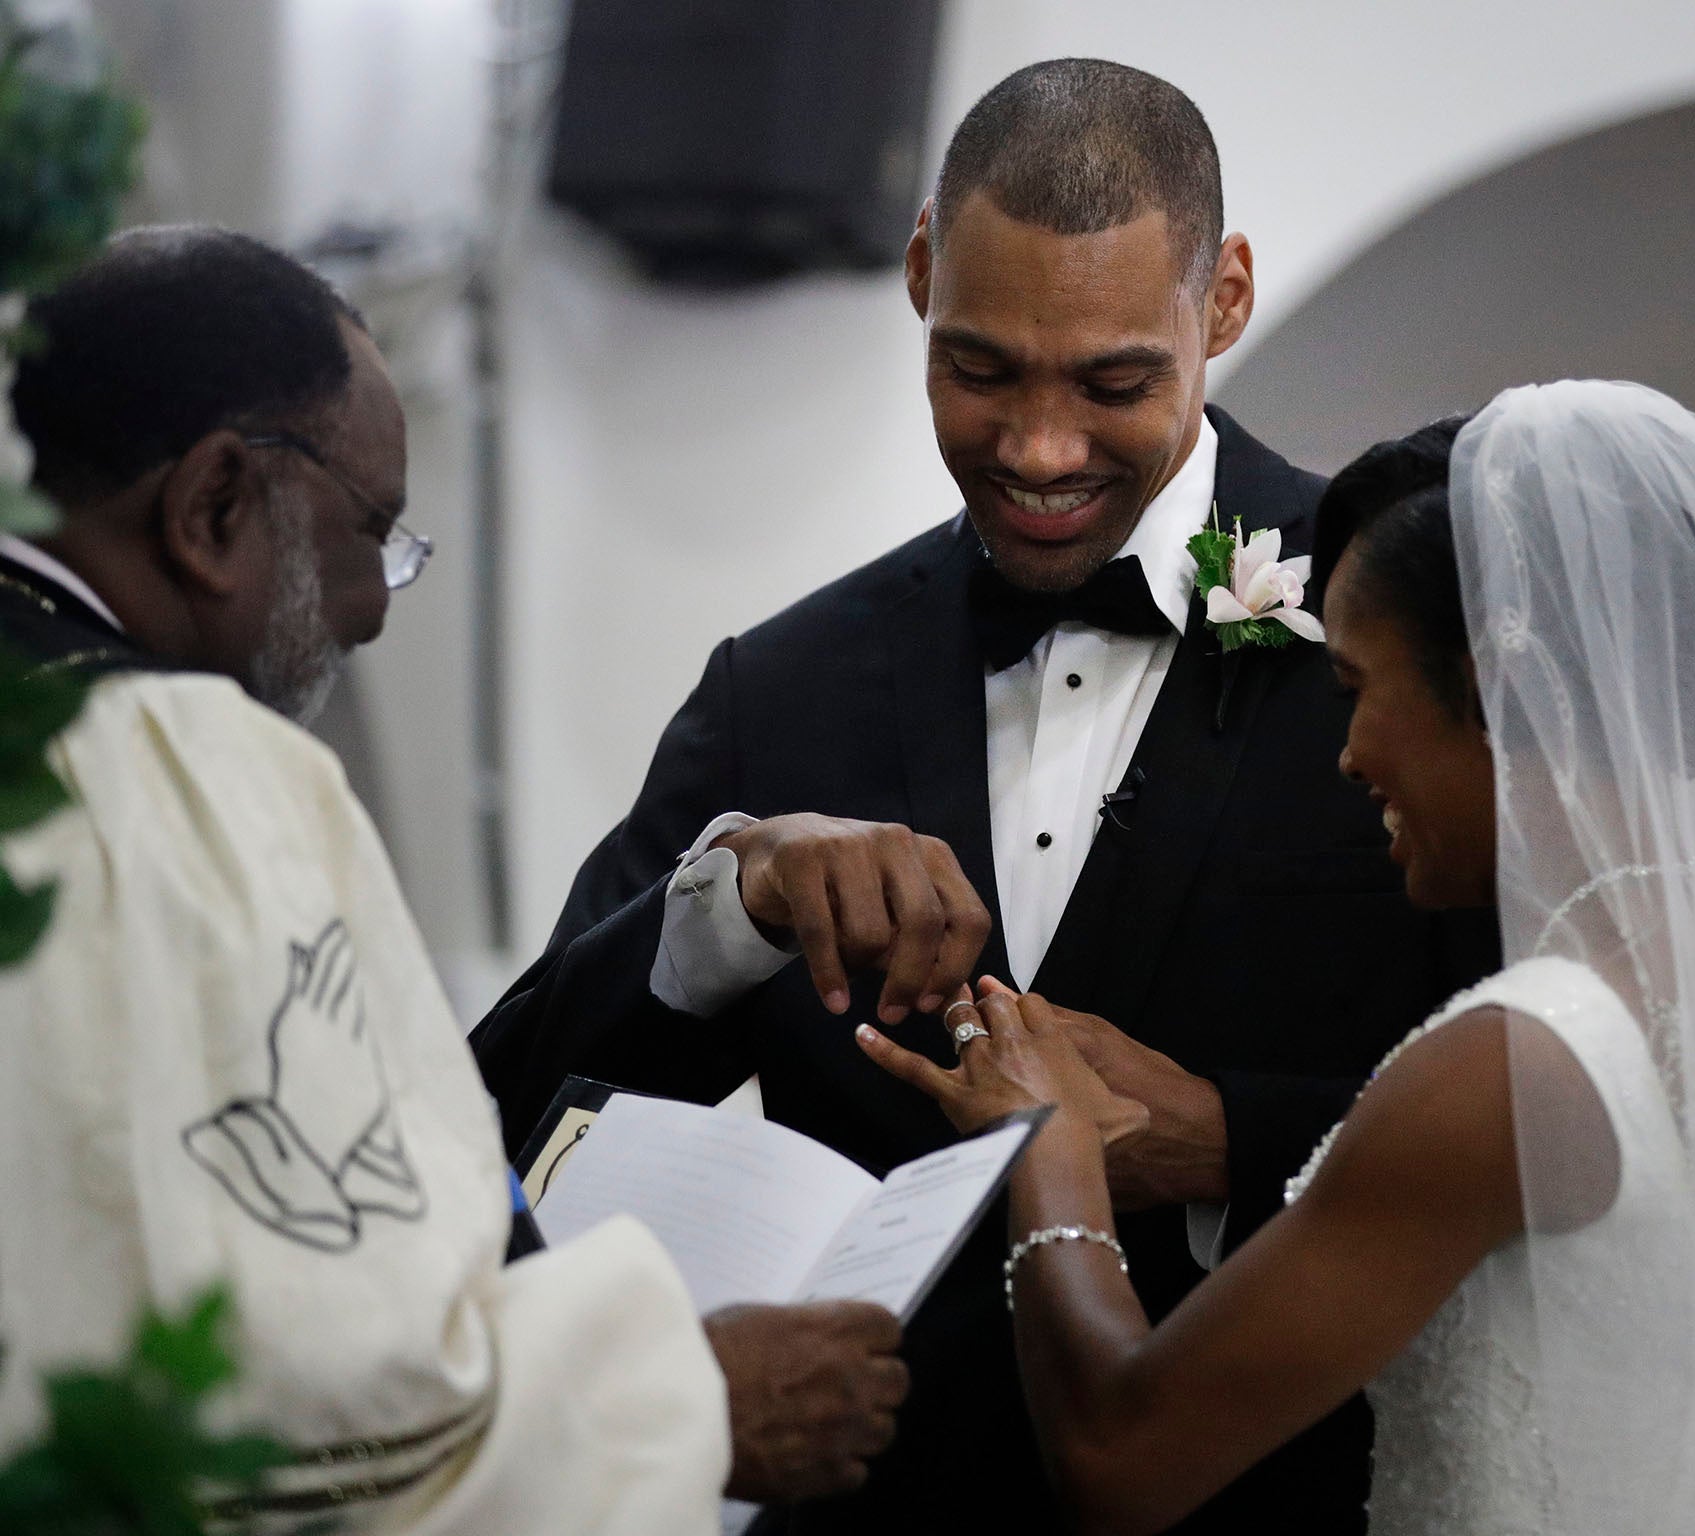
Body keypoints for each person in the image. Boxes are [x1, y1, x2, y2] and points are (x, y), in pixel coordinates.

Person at [471, 57, 1495, 1533]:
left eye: (1114, 382)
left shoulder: (1390, 629)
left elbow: (1567, 1118)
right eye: (981, 368)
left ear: (1224, 304)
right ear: (916, 279)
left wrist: (1223, 1135)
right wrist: (727, 905)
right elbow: (504, 1132)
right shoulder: (784, 688)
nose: (1039, 449)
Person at [860, 381, 1695, 1534]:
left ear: (1488, 692)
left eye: (1356, 689)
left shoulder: (1519, 1064)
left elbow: (1119, 1462)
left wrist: (1047, 1142)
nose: (1345, 753)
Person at [0, 226, 908, 1531]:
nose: (373, 604)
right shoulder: (190, 777)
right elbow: (338, 1389)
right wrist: (678, 1398)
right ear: (211, 509)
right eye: (369, 532)